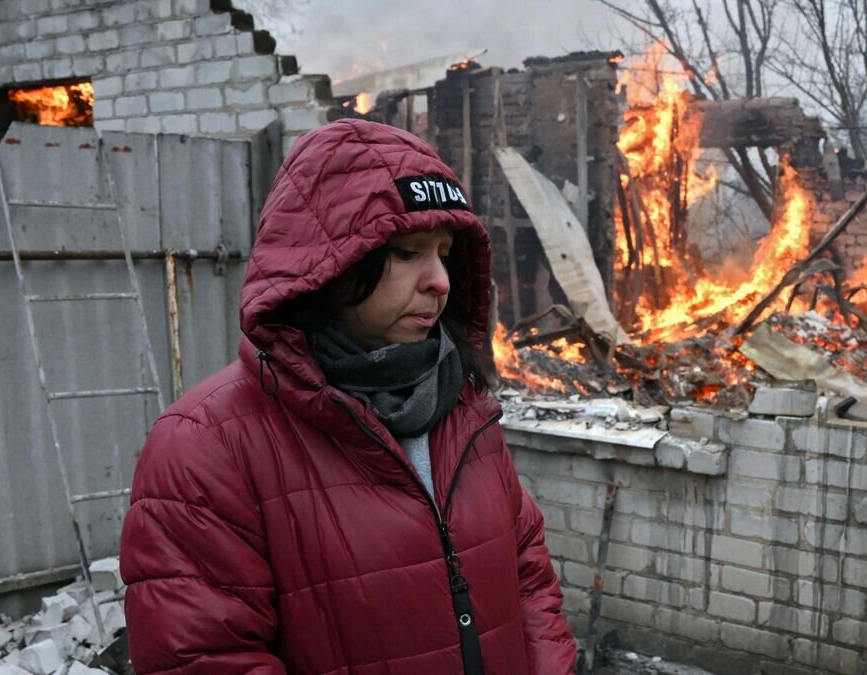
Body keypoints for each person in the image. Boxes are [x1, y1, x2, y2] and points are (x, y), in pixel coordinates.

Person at [119, 119, 577, 674]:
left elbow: (529, 578)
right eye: (407, 251)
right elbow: (206, 659)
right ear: (325, 264)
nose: (440, 280)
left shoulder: (464, 410)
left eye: (445, 252)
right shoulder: (205, 448)